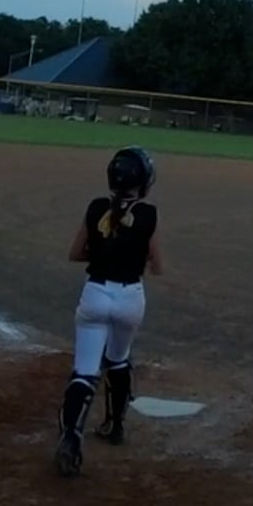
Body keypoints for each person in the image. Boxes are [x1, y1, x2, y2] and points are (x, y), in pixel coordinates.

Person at [56, 146, 162, 478]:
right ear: (142, 181)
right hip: (130, 298)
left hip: (95, 294)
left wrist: (103, 254)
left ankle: (71, 437)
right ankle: (115, 426)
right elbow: (157, 265)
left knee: (85, 371)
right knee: (118, 357)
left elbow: (75, 253)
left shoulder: (96, 207)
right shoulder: (148, 214)